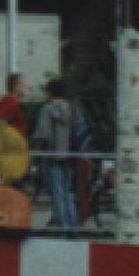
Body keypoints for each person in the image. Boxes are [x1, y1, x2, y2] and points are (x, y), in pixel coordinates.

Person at [34, 78, 79, 232]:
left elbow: (43, 133)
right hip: (67, 155)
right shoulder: (70, 109)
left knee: (57, 193)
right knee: (67, 192)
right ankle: (73, 226)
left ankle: (60, 227)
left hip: (51, 155)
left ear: (50, 92)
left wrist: (36, 151)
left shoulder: (46, 110)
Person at [0, 73, 29, 137]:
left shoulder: (13, 101)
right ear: (14, 86)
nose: (26, 86)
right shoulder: (10, 101)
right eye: (23, 84)